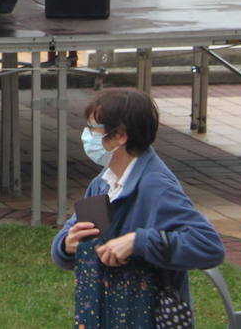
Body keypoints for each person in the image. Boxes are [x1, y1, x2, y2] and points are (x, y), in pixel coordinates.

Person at [52, 88, 225, 327]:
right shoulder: (102, 183)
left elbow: (209, 247)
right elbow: (67, 242)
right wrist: (67, 245)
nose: (86, 136)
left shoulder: (156, 187)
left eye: (93, 129)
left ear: (120, 136)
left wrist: (137, 242)